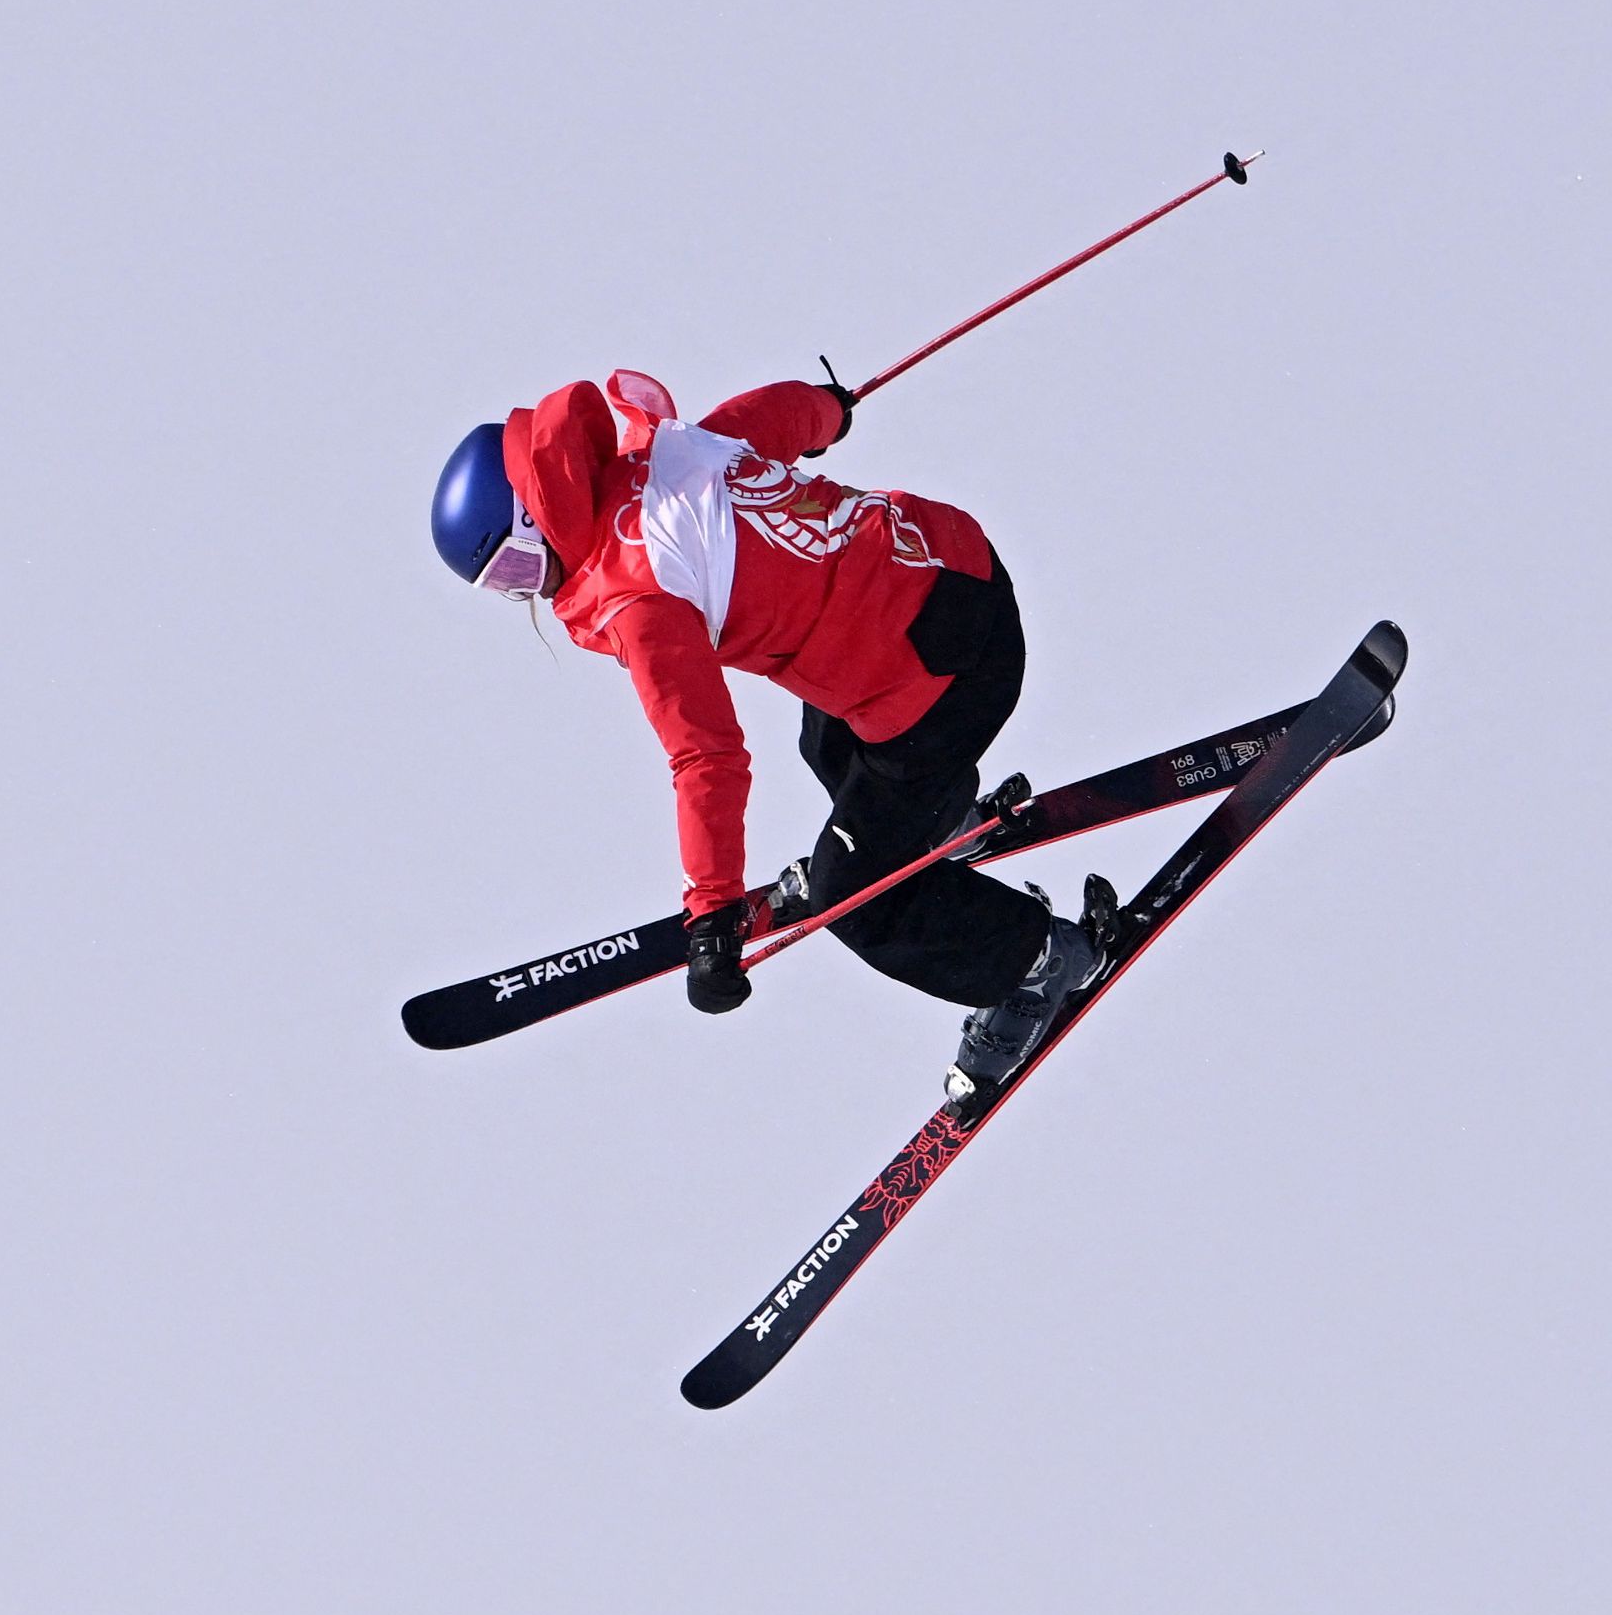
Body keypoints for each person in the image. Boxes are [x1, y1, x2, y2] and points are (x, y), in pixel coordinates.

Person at [429, 368, 1114, 1104]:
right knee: (825, 744)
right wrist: (829, 412)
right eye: (505, 586)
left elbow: (706, 756)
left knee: (851, 895)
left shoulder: (639, 595)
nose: (530, 591)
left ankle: (1038, 961)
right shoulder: (664, 449)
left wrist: (713, 911)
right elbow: (773, 416)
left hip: (942, 680)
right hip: (954, 562)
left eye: (516, 567)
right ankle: (934, 817)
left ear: (538, 511)